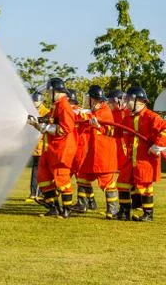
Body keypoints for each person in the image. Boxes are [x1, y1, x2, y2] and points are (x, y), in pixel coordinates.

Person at [114, 86, 166, 221]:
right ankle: (124, 212)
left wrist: (158, 145)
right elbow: (117, 132)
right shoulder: (127, 118)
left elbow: (164, 130)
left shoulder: (152, 117)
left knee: (145, 185)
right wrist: (98, 126)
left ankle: (148, 214)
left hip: (145, 159)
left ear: (138, 101)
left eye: (128, 99)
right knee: (122, 183)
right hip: (131, 159)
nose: (126, 102)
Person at [27, 77, 77, 218]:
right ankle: (53, 208)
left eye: (49, 91)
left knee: (62, 180)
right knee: (43, 177)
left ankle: (67, 210)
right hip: (49, 150)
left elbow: (66, 128)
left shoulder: (64, 106)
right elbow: (48, 120)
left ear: (56, 91)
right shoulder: (56, 105)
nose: (48, 94)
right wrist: (36, 122)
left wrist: (46, 127)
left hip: (61, 150)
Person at [70, 85, 119, 218]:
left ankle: (113, 210)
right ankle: (82, 204)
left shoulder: (104, 111)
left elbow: (92, 118)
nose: (87, 101)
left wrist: (77, 112)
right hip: (93, 154)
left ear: (94, 99)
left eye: (89, 98)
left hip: (103, 154)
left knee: (107, 183)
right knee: (83, 178)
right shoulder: (97, 110)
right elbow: (85, 119)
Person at [26, 91, 49, 202]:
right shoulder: (31, 111)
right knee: (35, 171)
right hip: (34, 147)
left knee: (39, 171)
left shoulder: (46, 112)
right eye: (33, 101)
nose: (34, 103)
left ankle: (39, 193)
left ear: (41, 101)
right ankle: (33, 193)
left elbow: (44, 128)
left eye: (36, 101)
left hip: (42, 146)